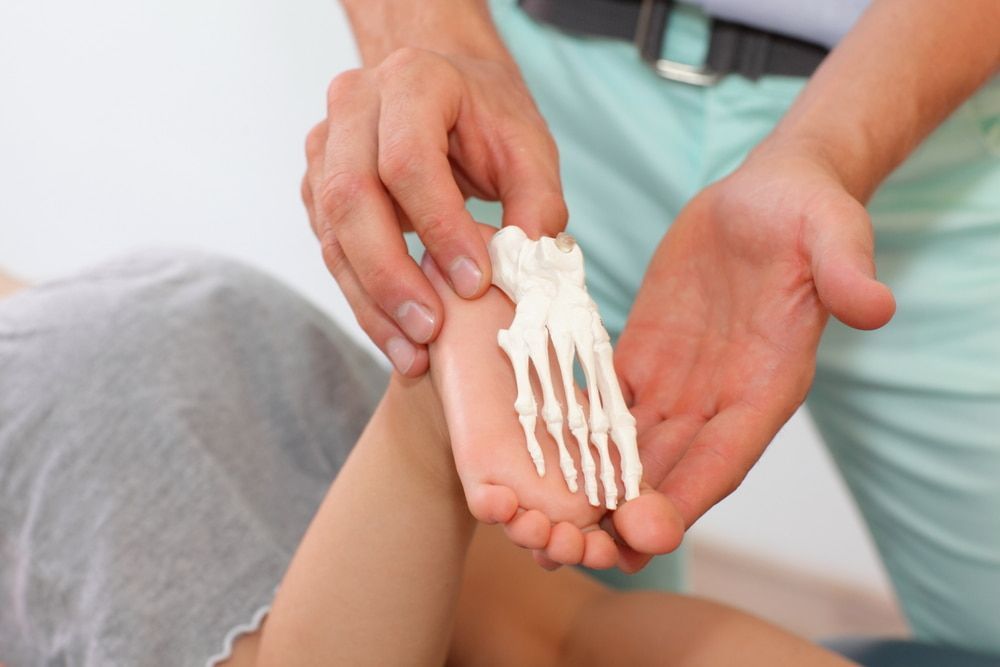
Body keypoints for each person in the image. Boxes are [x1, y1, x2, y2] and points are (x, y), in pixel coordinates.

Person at [301, 0, 1000, 651]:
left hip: (922, 88)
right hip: (541, 101)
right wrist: (437, 44)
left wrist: (826, 149)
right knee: (542, 609)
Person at [0, 248, 854, 666]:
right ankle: (424, 416)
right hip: (160, 296)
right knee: (558, 636)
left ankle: (424, 436)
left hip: (53, 384)